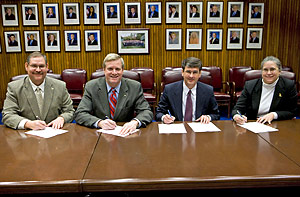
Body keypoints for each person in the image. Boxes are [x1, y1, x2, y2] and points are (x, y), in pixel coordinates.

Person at [75, 53, 153, 134]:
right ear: (104, 70)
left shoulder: (134, 87)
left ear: (122, 70)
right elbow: (80, 113)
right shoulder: (91, 86)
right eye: (110, 69)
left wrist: (135, 122)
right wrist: (99, 123)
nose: (114, 72)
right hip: (99, 134)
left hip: (125, 134)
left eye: (117, 69)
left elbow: (146, 111)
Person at [2, 52, 74, 130]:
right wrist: (27, 124)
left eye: (41, 66)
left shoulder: (60, 86)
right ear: (26, 66)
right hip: (25, 136)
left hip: (54, 135)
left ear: (47, 67)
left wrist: (62, 118)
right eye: (34, 66)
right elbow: (8, 115)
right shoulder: (14, 88)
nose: (38, 70)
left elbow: (69, 111)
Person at [232, 56, 297, 125]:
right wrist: (237, 116)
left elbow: (292, 111)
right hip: (254, 123)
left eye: (272, 69)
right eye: (265, 70)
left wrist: (273, 115)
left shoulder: (288, 85)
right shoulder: (250, 85)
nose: (269, 73)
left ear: (279, 71)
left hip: (277, 123)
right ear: (261, 71)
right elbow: (238, 108)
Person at [156, 57, 220, 124]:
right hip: (177, 129)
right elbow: (159, 112)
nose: (191, 76)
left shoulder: (208, 90)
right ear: (182, 72)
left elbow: (216, 114)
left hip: (199, 129)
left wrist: (208, 117)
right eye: (188, 72)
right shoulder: (169, 90)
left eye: (195, 72)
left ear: (200, 74)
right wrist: (164, 117)